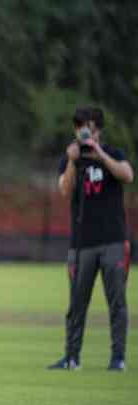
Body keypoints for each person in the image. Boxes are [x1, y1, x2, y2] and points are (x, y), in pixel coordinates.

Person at [48, 107, 133, 371]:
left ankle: (117, 358)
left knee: (116, 302)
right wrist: (74, 161)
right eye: (80, 128)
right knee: (76, 304)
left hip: (113, 241)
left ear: (99, 130)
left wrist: (100, 154)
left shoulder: (114, 154)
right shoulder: (70, 160)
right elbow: (64, 190)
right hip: (81, 243)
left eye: (90, 128)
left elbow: (127, 175)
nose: (85, 133)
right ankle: (72, 357)